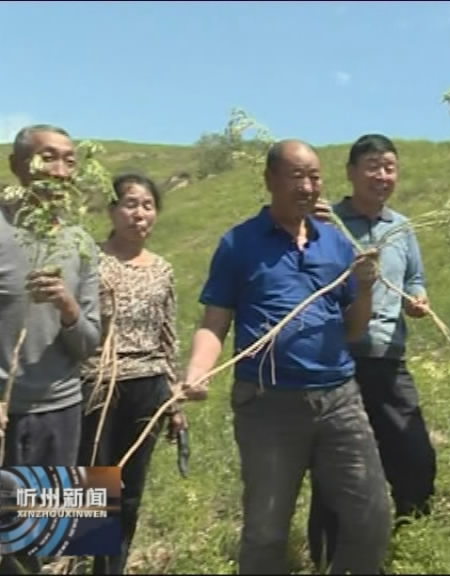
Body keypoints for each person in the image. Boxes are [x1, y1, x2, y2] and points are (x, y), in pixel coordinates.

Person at [180, 139, 392, 575]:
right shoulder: (239, 243)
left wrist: (367, 287)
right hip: (268, 405)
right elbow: (214, 322)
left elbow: (354, 329)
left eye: (315, 176)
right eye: (297, 175)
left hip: (339, 400)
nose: (309, 186)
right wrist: (198, 371)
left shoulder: (335, 244)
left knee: (371, 516)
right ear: (269, 180)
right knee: (266, 530)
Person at [308, 134, 437, 570]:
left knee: (414, 457)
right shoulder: (325, 223)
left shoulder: (400, 228)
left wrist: (416, 299)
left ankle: (401, 545)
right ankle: (87, 551)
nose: (382, 176)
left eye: (389, 167)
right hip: (338, 361)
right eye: (371, 166)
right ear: (350, 171)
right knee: (336, 469)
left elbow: (414, 278)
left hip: (387, 356)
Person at [0, 125, 101, 573]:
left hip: (61, 412)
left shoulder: (81, 244)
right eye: (47, 158)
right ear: (18, 166)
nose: (60, 171)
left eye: (70, 160)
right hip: (5, 413)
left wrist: (66, 306)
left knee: (48, 545)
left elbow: (89, 344)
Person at [76, 173, 187, 574]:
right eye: (129, 204)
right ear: (111, 210)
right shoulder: (90, 260)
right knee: (92, 486)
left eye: (147, 205)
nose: (138, 214)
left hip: (148, 387)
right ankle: (79, 562)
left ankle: (112, 568)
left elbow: (168, 333)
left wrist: (174, 398)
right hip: (97, 383)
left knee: (130, 489)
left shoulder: (162, 269)